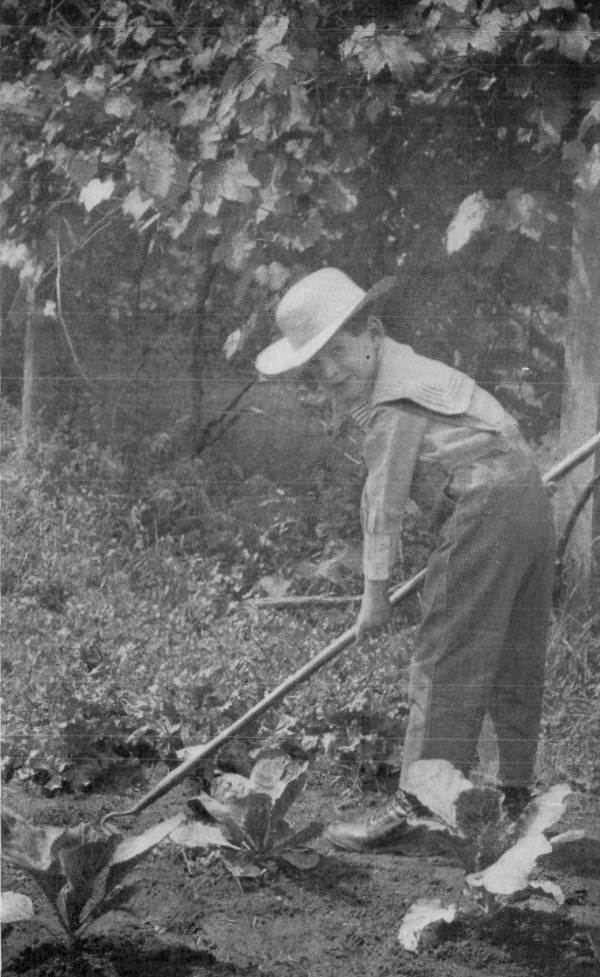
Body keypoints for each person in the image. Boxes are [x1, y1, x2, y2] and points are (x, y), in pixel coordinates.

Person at [255, 268, 556, 853]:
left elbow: (384, 502)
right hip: (528, 495)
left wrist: (375, 596)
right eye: (318, 363)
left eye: (338, 351)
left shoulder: (393, 400)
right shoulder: (415, 369)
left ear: (371, 332)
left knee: (444, 656)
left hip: (488, 504)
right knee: (515, 654)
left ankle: (417, 806)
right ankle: (516, 798)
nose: (332, 370)